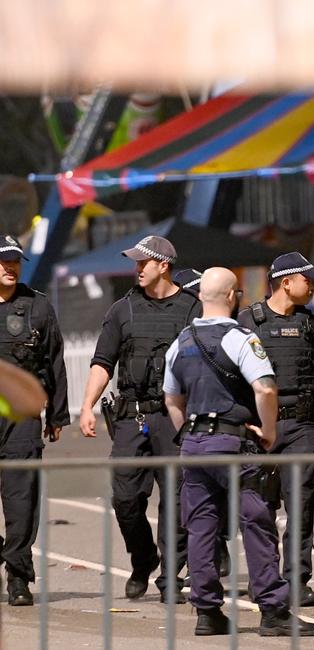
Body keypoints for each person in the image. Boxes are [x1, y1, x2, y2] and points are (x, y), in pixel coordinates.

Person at [163, 267, 314, 636]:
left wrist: (188, 432)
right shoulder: (240, 338)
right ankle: (273, 611)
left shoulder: (180, 342)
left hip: (194, 446)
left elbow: (171, 398)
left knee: (201, 528)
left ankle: (207, 612)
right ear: (232, 296)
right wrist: (267, 431)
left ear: (201, 296)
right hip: (235, 444)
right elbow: (265, 389)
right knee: (257, 523)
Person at [79, 235, 201, 603]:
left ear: (163, 265)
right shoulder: (122, 310)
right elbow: (103, 362)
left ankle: (170, 577)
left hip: (176, 417)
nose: (136, 269)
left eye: (142, 263)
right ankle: (143, 558)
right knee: (125, 498)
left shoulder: (192, 309)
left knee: (177, 501)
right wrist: (87, 405)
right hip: (132, 417)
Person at [238, 252, 314, 606]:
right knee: (260, 510)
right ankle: (264, 580)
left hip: (302, 426)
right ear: (286, 282)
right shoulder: (248, 323)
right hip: (260, 427)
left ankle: (297, 581)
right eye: (307, 279)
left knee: (301, 507)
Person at [0, 234, 69, 606]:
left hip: (21, 417)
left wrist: (57, 415)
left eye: (15, 261)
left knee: (21, 499)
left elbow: (55, 361)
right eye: (3, 261)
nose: (10, 267)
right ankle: (7, 551)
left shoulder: (37, 307)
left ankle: (18, 578)